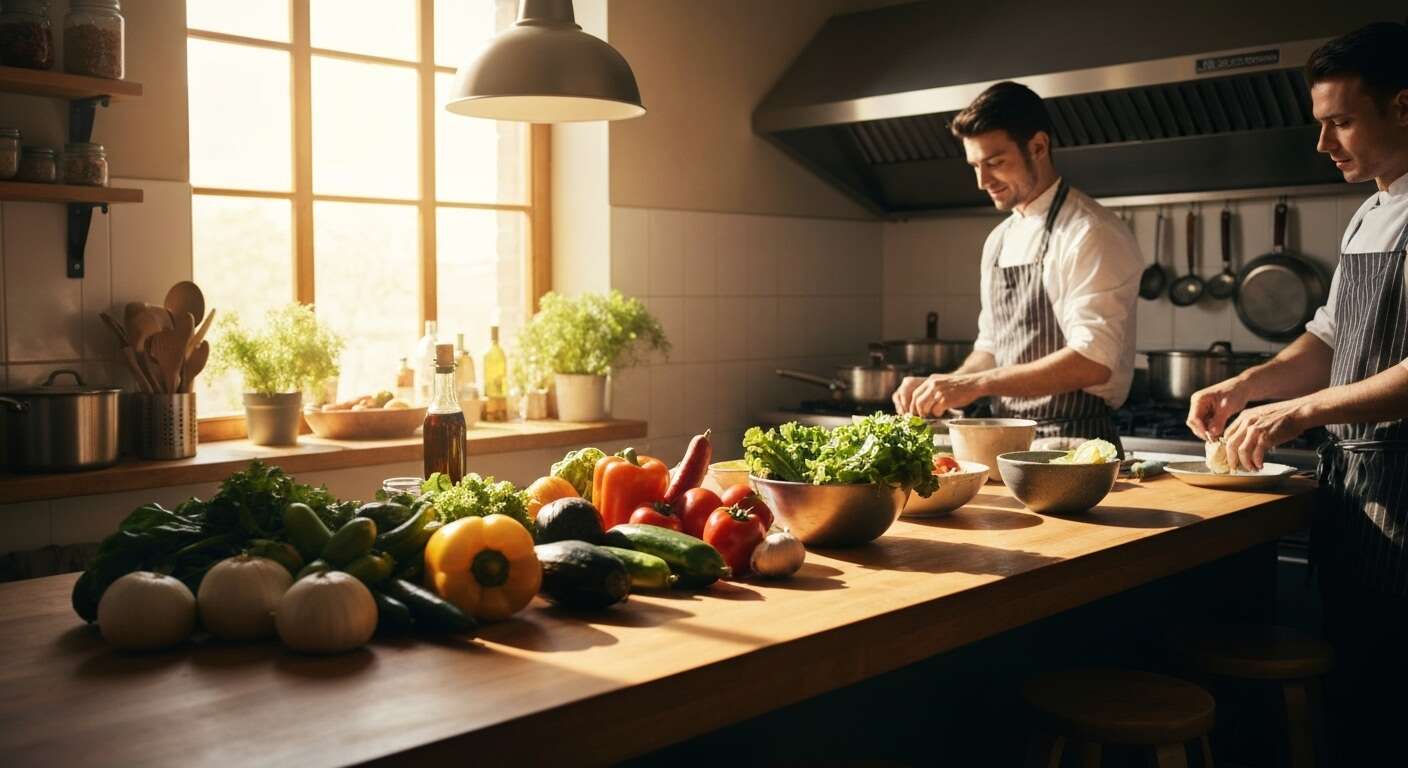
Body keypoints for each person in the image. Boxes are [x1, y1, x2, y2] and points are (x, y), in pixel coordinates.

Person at [1184, 21, 1408, 764]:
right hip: (1356, 491)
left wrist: (1303, 410)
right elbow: (1329, 341)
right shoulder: (1371, 213)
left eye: (1340, 121)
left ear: (1403, 107)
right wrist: (1249, 387)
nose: (1324, 144)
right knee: (1356, 685)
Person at [892, 82, 1142, 448]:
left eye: (995, 163)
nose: (982, 181)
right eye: (975, 166)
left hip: (1075, 448)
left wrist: (975, 384)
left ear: (1038, 146)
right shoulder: (1000, 239)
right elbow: (991, 348)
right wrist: (943, 386)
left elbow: (1093, 360)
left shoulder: (1091, 232)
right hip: (1006, 446)